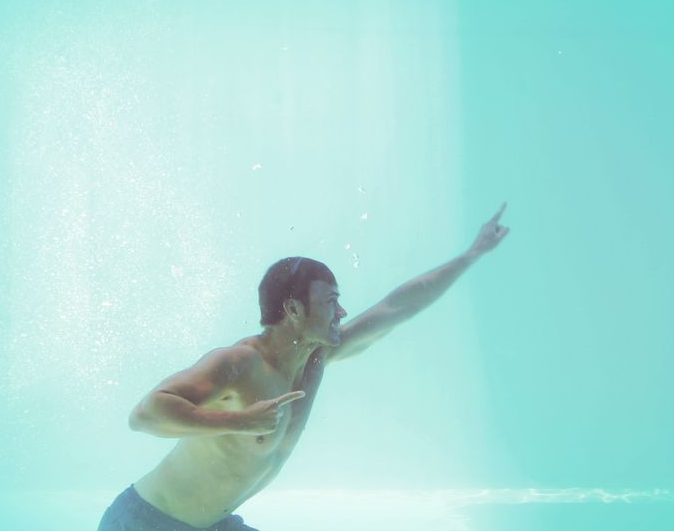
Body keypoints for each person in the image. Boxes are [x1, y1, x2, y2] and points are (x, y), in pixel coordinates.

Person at [98, 204, 510, 530]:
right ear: (294, 309)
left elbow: (396, 306)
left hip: (213, 525)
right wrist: (238, 422)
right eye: (331, 300)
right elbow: (145, 415)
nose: (341, 311)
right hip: (144, 523)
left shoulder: (316, 358)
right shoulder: (240, 363)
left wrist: (472, 255)